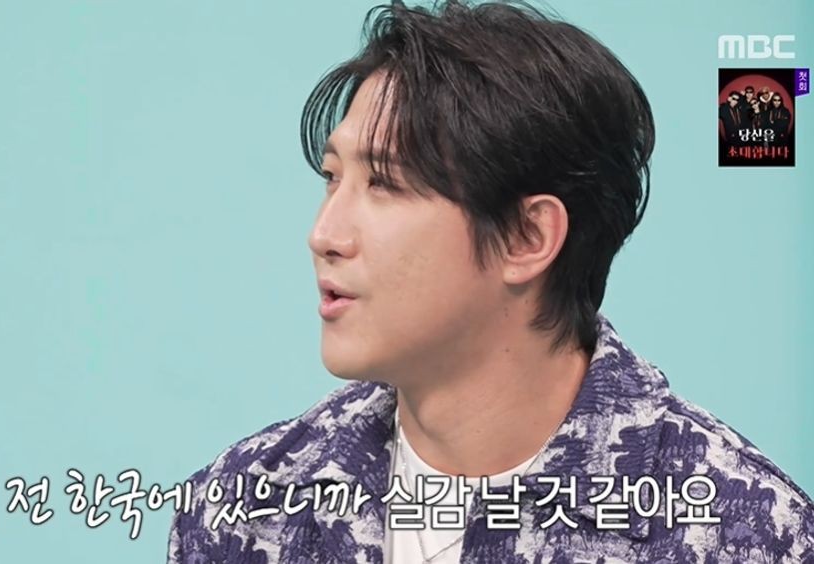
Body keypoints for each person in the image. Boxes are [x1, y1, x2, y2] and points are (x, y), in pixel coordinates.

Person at [168, 2, 814, 562]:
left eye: (385, 184)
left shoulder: (742, 529)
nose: (324, 234)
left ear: (527, 237)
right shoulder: (243, 509)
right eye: (333, 178)